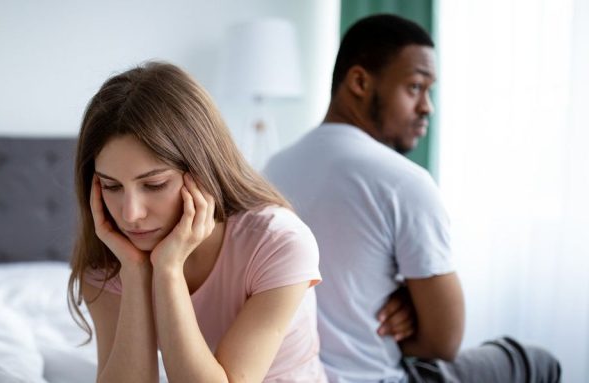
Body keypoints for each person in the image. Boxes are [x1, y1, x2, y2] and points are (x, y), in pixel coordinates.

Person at [264, 14, 561, 383]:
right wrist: (415, 311)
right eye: (415, 87)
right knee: (537, 360)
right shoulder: (403, 182)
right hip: (375, 377)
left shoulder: (272, 169)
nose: (427, 107)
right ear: (359, 81)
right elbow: (443, 343)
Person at [67, 62, 327, 382]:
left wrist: (168, 270)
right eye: (111, 186)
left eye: (154, 185)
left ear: (202, 171)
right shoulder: (108, 259)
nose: (130, 214)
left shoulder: (278, 243)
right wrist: (135, 274)